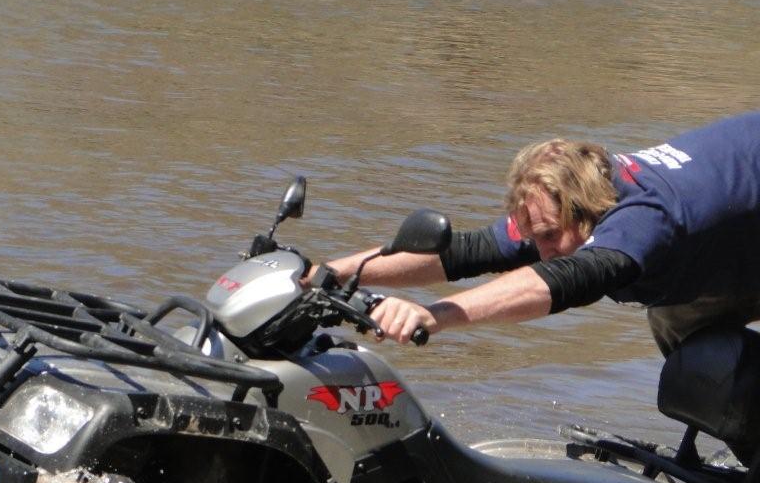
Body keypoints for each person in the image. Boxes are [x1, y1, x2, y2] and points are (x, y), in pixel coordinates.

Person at [320, 111, 760, 356]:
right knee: (681, 333)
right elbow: (468, 252)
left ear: (588, 215)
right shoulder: (565, 204)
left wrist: (434, 316)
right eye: (536, 239)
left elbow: (564, 281)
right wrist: (330, 273)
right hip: (733, 236)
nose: (542, 252)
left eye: (550, 237)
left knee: (692, 344)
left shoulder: (643, 219)